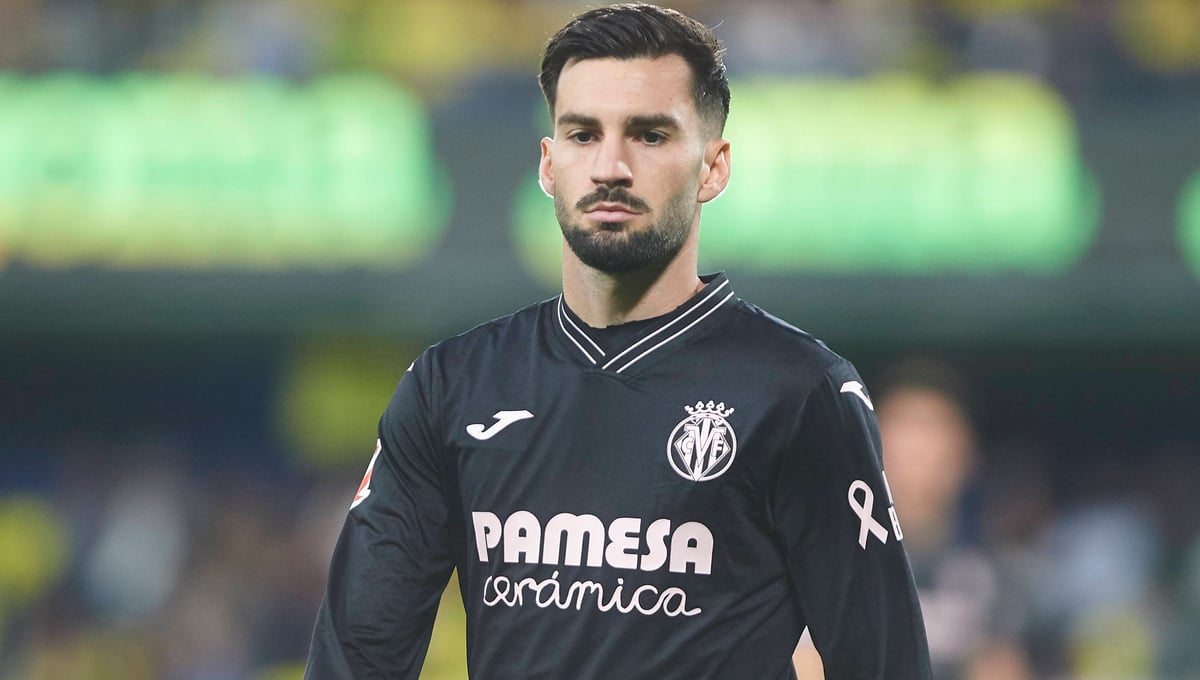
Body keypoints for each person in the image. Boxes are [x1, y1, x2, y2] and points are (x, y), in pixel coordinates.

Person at [303, 4, 930, 679]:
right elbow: (355, 658)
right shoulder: (451, 386)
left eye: (649, 135)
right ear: (549, 165)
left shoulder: (800, 393)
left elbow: (886, 665)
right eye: (582, 134)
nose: (610, 166)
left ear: (713, 167)